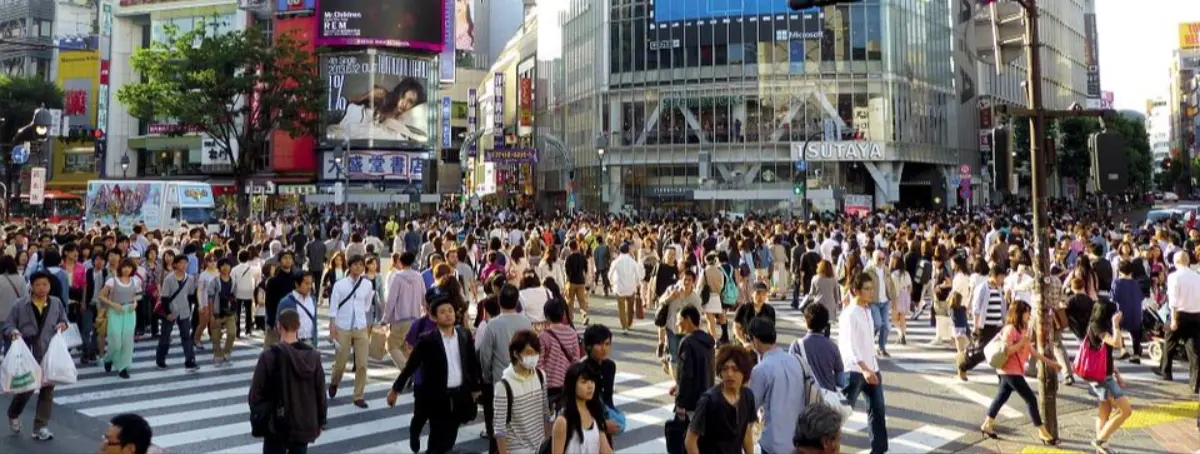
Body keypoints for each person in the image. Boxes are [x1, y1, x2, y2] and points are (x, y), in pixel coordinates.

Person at [388, 293, 483, 454]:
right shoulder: (427, 340)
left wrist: (475, 388)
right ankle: (416, 434)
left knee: (450, 437)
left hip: (459, 395)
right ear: (434, 317)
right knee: (436, 437)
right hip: (437, 397)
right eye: (443, 312)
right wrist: (396, 389)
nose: (448, 314)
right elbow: (411, 366)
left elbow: (472, 363)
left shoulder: (463, 335)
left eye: (450, 310)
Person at [979, 300, 1060, 445]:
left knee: (1001, 398)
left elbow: (1032, 351)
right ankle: (1042, 431)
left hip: (1014, 370)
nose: (1029, 315)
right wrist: (1021, 343)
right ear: (1019, 313)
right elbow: (1007, 350)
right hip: (1010, 370)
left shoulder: (1025, 329)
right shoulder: (1010, 329)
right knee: (1031, 399)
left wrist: (1051, 363)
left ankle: (987, 424)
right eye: (1027, 312)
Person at [249, 309, 328, 454]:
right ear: (298, 327)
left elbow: (255, 394)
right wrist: (322, 420)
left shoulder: (269, 356)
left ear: (279, 326)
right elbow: (320, 391)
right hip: (303, 424)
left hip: (277, 425)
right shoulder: (313, 357)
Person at [4, 271, 69, 440]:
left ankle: (40, 426)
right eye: (38, 285)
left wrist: (63, 325)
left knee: (47, 390)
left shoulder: (56, 303)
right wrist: (13, 332)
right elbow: (8, 324)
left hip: (49, 352)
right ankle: (13, 413)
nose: (42, 288)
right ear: (31, 286)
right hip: (27, 352)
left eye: (45, 284)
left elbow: (64, 320)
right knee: (26, 388)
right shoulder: (20, 305)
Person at [477, 284, 534, 449]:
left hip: (499, 380)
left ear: (499, 301)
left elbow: (485, 356)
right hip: (522, 378)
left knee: (499, 425)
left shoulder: (493, 324)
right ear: (517, 302)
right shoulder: (526, 322)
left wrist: (486, 376)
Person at [839, 272, 887, 454]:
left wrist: (872, 366)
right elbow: (849, 347)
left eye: (872, 288)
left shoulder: (867, 310)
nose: (871, 292)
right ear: (855, 291)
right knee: (841, 413)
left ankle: (879, 450)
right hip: (854, 371)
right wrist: (865, 369)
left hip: (872, 367)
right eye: (866, 289)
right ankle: (826, 446)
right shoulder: (849, 314)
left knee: (878, 411)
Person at [747, 318, 806, 454]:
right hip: (800, 439)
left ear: (755, 339)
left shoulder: (761, 369)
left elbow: (750, 406)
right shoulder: (797, 361)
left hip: (773, 442)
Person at [684, 345, 757, 454]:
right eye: (725, 369)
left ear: (744, 372)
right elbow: (690, 440)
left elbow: (745, 432)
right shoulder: (709, 401)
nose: (729, 374)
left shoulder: (748, 396)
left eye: (735, 369)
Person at [1085, 299, 1134, 454]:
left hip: (1104, 375)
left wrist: (1117, 374)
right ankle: (1100, 440)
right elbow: (1116, 343)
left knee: (1104, 414)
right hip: (1102, 379)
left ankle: (1101, 445)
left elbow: (1107, 355)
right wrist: (1115, 324)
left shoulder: (1099, 325)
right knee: (1126, 410)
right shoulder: (1096, 327)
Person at [328, 255, 376, 409]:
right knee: (340, 363)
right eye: (355, 265)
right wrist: (332, 328)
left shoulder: (367, 284)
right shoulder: (340, 285)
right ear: (349, 266)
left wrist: (367, 324)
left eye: (361, 265)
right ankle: (335, 381)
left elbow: (368, 305)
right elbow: (333, 308)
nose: (359, 268)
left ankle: (358, 396)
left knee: (362, 363)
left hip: (360, 326)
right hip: (343, 326)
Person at [493, 330, 552, 454]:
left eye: (536, 352)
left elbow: (545, 412)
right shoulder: (503, 386)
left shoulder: (541, 376)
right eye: (529, 352)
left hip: (540, 447)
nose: (534, 356)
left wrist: (547, 440)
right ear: (516, 354)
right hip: (517, 449)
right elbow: (499, 429)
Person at [549, 362, 614, 454]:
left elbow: (606, 450)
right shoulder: (563, 421)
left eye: (592, 381)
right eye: (584, 382)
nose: (590, 386)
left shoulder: (595, 415)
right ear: (572, 385)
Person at [1159, 249, 1200, 390]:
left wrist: (1174, 319)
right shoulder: (1197, 276)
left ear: (1176, 262)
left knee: (1169, 343)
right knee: (1193, 349)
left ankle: (1166, 371)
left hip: (1179, 314)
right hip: (1195, 315)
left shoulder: (1174, 276)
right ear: (1187, 261)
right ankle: (1195, 381)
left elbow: (1173, 300)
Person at [101, 259, 144, 378]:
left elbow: (137, 295)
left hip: (129, 312)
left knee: (127, 341)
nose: (127, 269)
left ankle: (123, 367)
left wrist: (135, 303)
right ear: (121, 267)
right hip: (115, 311)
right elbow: (101, 296)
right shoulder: (112, 281)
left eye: (129, 267)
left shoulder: (135, 281)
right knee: (115, 341)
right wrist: (113, 304)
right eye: (125, 267)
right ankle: (109, 358)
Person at [673, 305, 715, 420]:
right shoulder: (708, 340)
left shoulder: (687, 342)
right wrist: (677, 386)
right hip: (707, 397)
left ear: (688, 320)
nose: (677, 324)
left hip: (692, 402)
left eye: (679, 320)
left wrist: (680, 403)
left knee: (688, 435)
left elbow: (687, 374)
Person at [538, 298, 581, 410]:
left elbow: (539, 363)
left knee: (549, 418)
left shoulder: (543, 336)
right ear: (563, 315)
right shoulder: (572, 334)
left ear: (546, 316)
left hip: (549, 385)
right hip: (567, 383)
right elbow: (576, 359)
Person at [789, 303, 842, 393]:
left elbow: (790, 372)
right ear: (825, 324)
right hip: (827, 397)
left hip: (804, 395)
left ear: (806, 322)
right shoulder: (833, 347)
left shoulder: (796, 345)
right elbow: (841, 380)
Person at [384, 251, 424, 369]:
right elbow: (424, 297)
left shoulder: (398, 277)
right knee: (407, 347)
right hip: (415, 318)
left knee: (391, 345)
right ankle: (412, 371)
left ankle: (406, 371)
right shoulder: (419, 276)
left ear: (400, 262)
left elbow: (391, 300)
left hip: (400, 318)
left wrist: (385, 318)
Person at [207, 259, 238, 367]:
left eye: (228, 265)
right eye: (223, 266)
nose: (226, 268)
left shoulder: (233, 281)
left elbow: (235, 298)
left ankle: (227, 352)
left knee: (232, 333)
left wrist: (235, 313)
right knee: (215, 337)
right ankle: (217, 354)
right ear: (219, 268)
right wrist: (211, 315)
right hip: (217, 313)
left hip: (230, 312)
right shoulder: (214, 281)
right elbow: (210, 299)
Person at [277, 272, 318, 347]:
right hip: (293, 343)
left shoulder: (313, 300)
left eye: (311, 283)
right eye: (306, 283)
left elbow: (314, 323)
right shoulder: (286, 302)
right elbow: (279, 326)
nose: (309, 287)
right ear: (297, 284)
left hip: (310, 342)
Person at [733, 282, 776, 347]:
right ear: (752, 294)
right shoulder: (744, 308)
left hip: (761, 344)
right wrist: (744, 342)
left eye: (763, 294)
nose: (761, 297)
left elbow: (771, 331)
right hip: (744, 342)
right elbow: (736, 327)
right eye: (758, 293)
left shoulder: (770, 310)